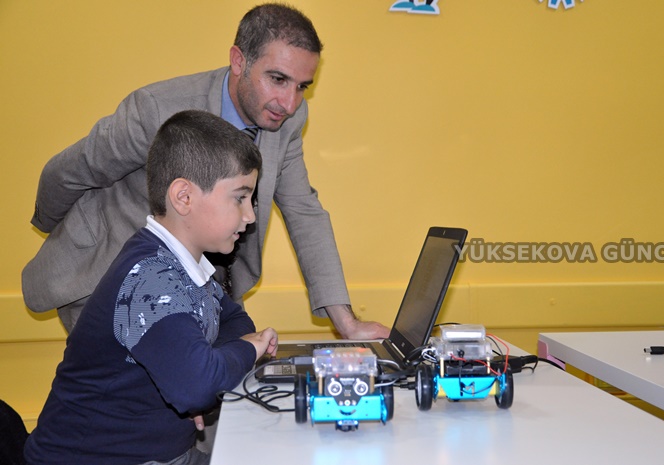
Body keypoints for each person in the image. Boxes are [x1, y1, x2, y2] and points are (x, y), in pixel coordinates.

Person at [22, 3, 389, 339]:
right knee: (149, 389)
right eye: (278, 79)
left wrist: (348, 324)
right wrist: (58, 231)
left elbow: (303, 210)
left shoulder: (288, 119)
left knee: (216, 380)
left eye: (302, 87)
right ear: (238, 61)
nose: (290, 103)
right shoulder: (157, 109)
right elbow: (70, 171)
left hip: (203, 284)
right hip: (109, 277)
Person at [24, 110, 279, 465]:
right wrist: (247, 350)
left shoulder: (183, 267)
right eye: (240, 197)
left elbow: (235, 322)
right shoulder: (151, 278)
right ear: (183, 197)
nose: (250, 216)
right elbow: (198, 386)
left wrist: (201, 370)